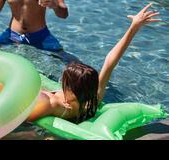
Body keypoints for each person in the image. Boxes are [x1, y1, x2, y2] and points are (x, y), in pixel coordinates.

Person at [26, 3, 161, 123]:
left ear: (72, 90)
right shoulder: (93, 99)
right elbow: (110, 62)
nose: (62, 82)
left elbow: (23, 119)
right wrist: (134, 27)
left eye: (65, 81)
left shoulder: (54, 104)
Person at [0, 0, 68, 53]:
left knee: (65, 59)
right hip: (13, 36)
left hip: (40, 37)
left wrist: (55, 6)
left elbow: (64, 14)